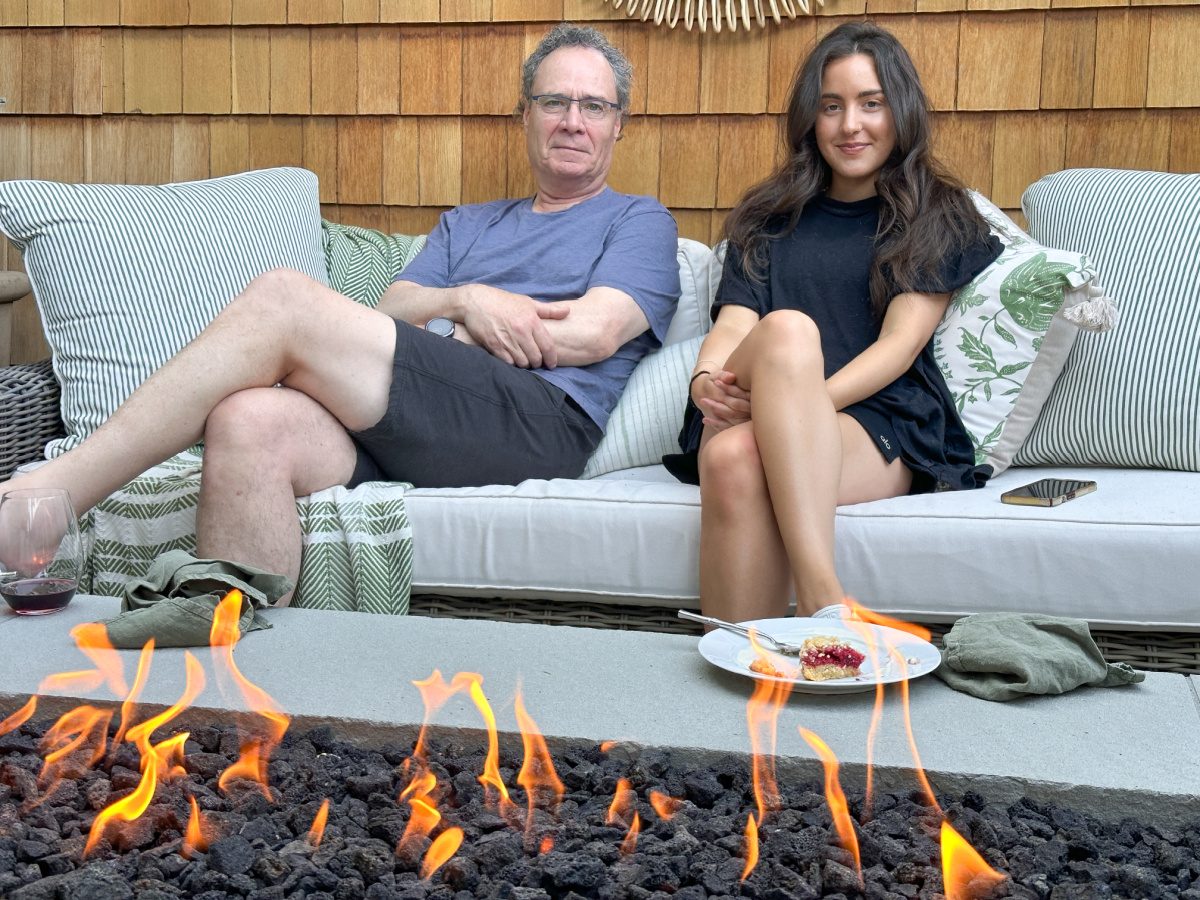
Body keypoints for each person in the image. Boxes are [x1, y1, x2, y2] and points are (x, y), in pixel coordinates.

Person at [1, 23, 680, 604]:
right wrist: (464, 302)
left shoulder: (638, 220)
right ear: (524, 115)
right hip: (427, 422)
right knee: (248, 419)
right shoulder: (465, 225)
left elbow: (591, 333)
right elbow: (390, 309)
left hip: (534, 424)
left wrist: (451, 330)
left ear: (618, 126)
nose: (572, 120)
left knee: (283, 301)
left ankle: (51, 498)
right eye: (555, 101)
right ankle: (238, 691)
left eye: (594, 106)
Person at [663, 22, 1001, 622]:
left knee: (734, 458)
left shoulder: (937, 212)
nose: (851, 125)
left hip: (879, 419)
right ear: (810, 119)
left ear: (900, 112)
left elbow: (899, 345)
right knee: (786, 331)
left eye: (872, 104)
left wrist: (792, 409)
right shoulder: (769, 215)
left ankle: (759, 650)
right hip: (749, 400)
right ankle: (822, 602)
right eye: (832, 106)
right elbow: (736, 325)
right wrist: (705, 380)